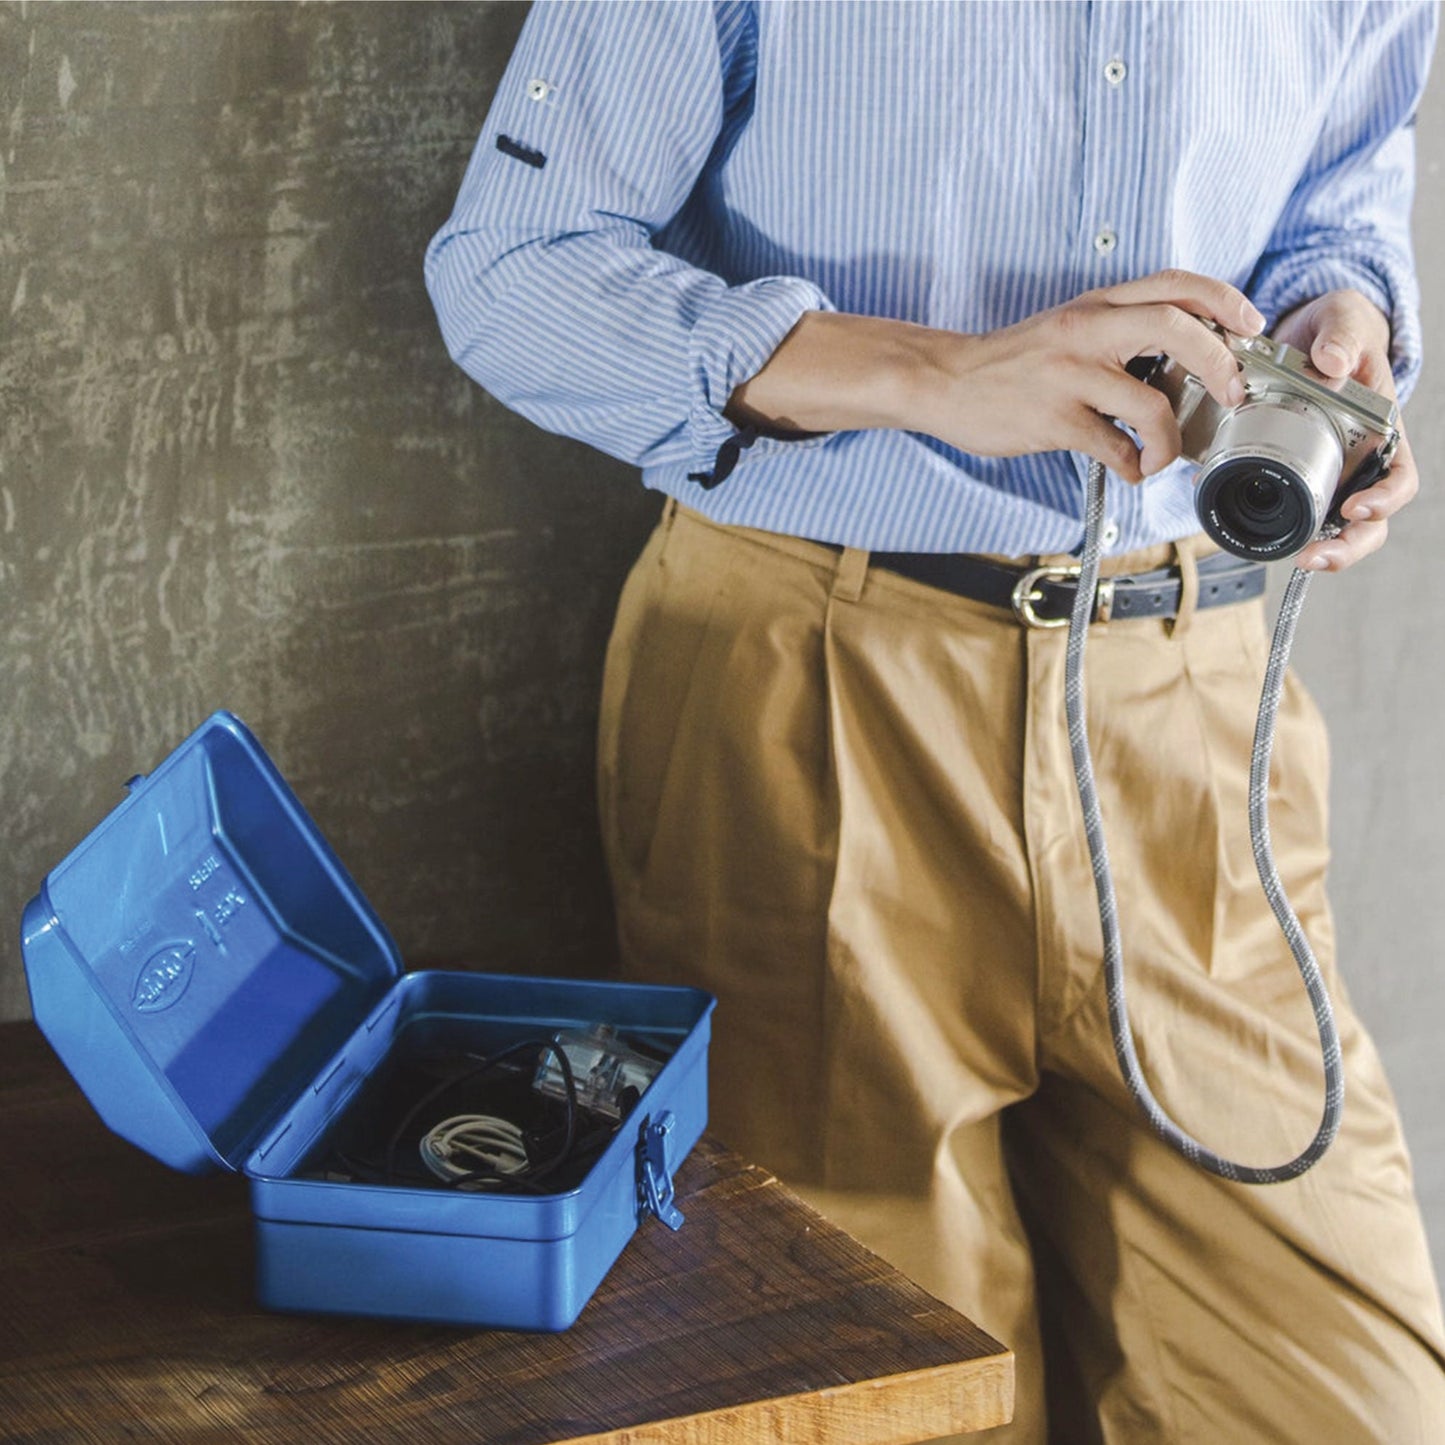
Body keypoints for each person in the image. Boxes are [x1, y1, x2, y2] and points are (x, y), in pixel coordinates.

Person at [425, 3, 1444, 1439]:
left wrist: (1342, 324)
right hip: (815, 693)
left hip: (1196, 710)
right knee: (875, 1398)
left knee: (1358, 1407)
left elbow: (1341, 173)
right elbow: (511, 273)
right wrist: (935, 374)